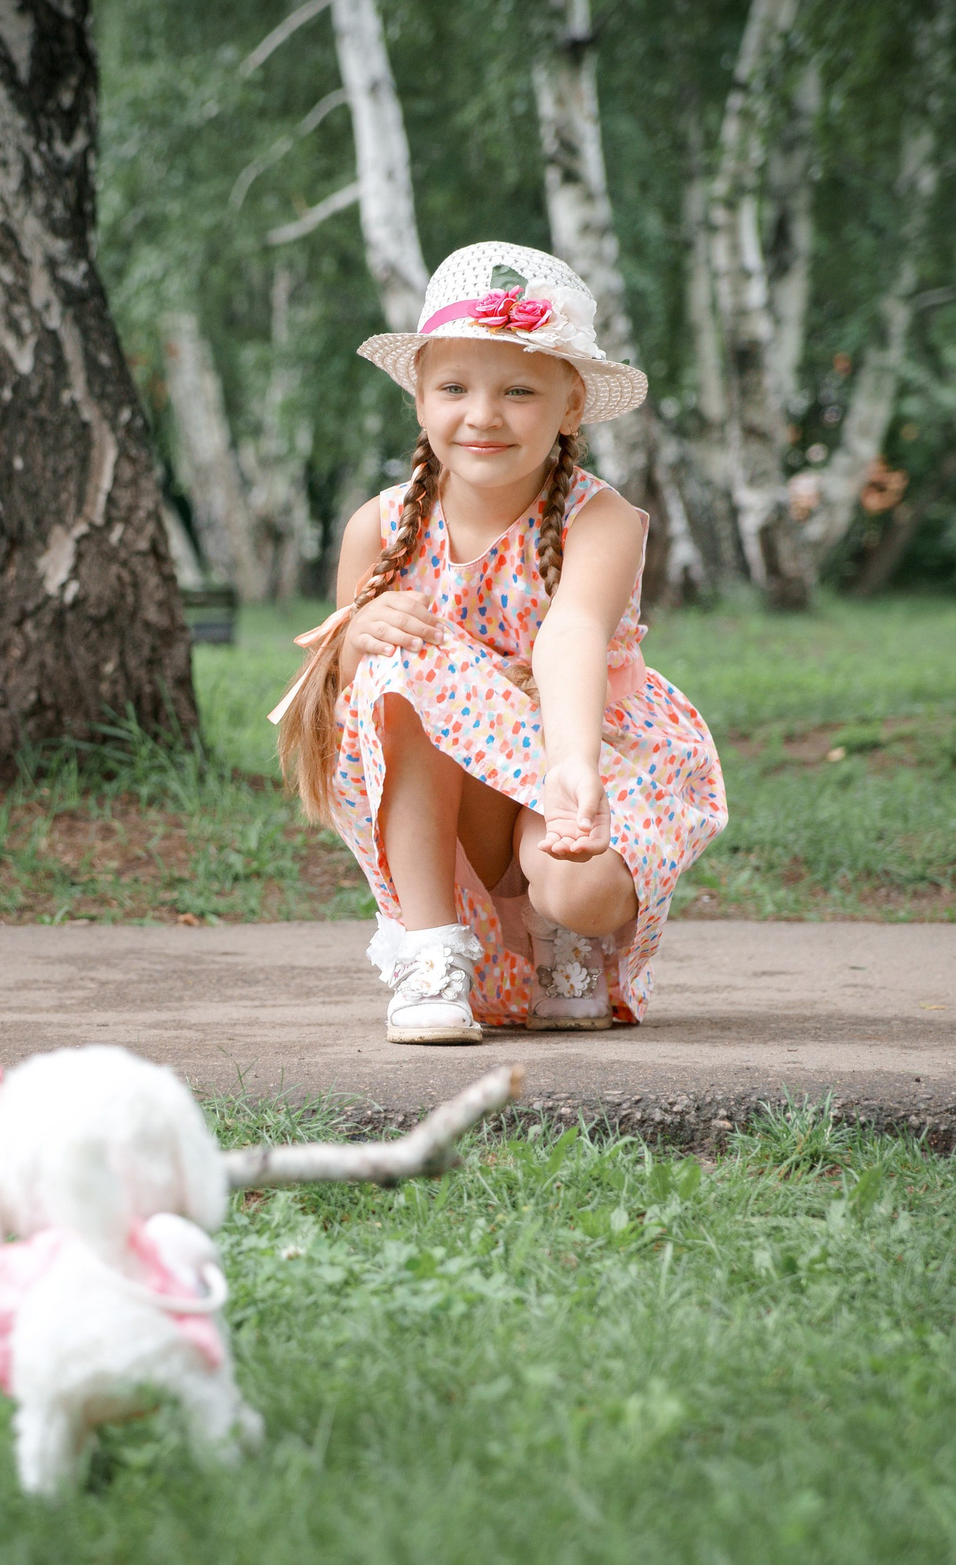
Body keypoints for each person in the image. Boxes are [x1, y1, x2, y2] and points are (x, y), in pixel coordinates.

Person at [271, 242, 726, 1043]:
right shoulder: (380, 527)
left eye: (519, 390)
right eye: (454, 388)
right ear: (419, 397)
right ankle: (431, 955)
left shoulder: (601, 519)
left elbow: (572, 634)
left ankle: (567, 936)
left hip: (579, 745)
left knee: (574, 885)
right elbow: (334, 691)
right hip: (453, 799)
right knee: (399, 652)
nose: (483, 415)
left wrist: (574, 766)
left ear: (571, 404)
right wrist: (355, 639)